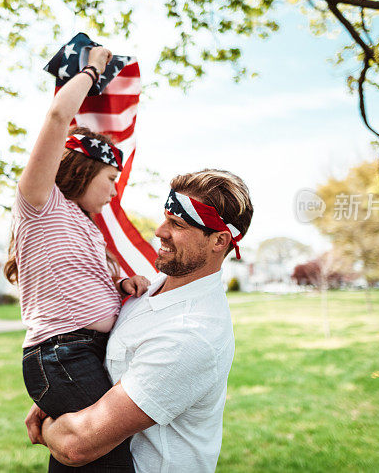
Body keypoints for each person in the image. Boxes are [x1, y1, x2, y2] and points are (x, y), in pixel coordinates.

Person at [25, 169, 254, 472]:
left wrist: (50, 424)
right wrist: (59, 393)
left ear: (219, 240)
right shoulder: (153, 288)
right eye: (165, 217)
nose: (160, 231)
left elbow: (77, 445)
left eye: (177, 223)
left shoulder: (192, 334)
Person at [5, 45, 150, 472]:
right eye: (110, 179)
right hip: (62, 353)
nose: (113, 191)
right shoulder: (40, 204)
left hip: (82, 352)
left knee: (85, 463)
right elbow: (55, 119)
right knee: (108, 458)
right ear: (84, 170)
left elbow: (78, 283)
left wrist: (119, 286)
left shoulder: (87, 225)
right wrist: (91, 70)